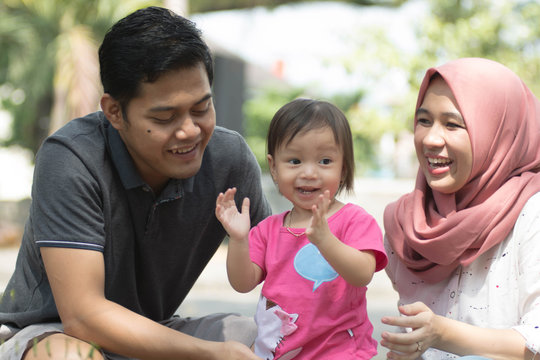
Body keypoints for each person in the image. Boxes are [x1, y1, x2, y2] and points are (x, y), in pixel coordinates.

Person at [0, 6, 271, 360]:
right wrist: (212, 353)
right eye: (165, 116)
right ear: (114, 111)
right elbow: (83, 317)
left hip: (153, 329)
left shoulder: (228, 156)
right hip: (53, 332)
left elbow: (287, 260)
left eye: (202, 108)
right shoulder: (72, 158)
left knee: (262, 337)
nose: (190, 130)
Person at [381, 57, 540, 360]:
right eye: (423, 120)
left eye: (452, 124)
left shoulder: (532, 215)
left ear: (499, 133)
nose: (430, 138)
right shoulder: (406, 225)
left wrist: (440, 334)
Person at [215, 98, 388, 359]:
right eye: (294, 161)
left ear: (344, 167)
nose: (308, 172)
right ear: (273, 168)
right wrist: (239, 239)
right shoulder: (269, 229)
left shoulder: (354, 220)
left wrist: (325, 240)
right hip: (278, 351)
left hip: (340, 352)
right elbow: (242, 283)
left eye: (325, 161)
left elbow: (362, 274)